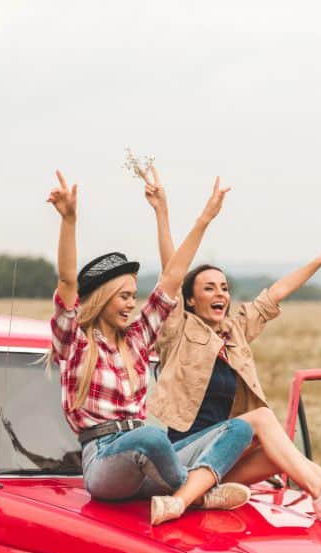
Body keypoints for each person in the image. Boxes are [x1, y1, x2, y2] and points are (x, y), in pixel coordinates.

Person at [141, 167, 321, 532]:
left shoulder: (234, 332)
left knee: (279, 453)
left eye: (224, 287)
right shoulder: (180, 329)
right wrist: (165, 212)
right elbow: (174, 272)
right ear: (190, 299)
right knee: (263, 420)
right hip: (184, 455)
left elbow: (274, 295)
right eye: (209, 288)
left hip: (221, 459)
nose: (220, 293)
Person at [47, 169, 253, 526]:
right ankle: (199, 494)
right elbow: (67, 282)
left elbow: (173, 277)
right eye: (124, 297)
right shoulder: (78, 342)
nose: (132, 304)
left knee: (240, 429)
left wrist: (204, 218)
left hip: (152, 464)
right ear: (103, 299)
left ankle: (180, 498)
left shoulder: (139, 338)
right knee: (152, 437)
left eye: (133, 296)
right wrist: (69, 219)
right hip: (105, 462)